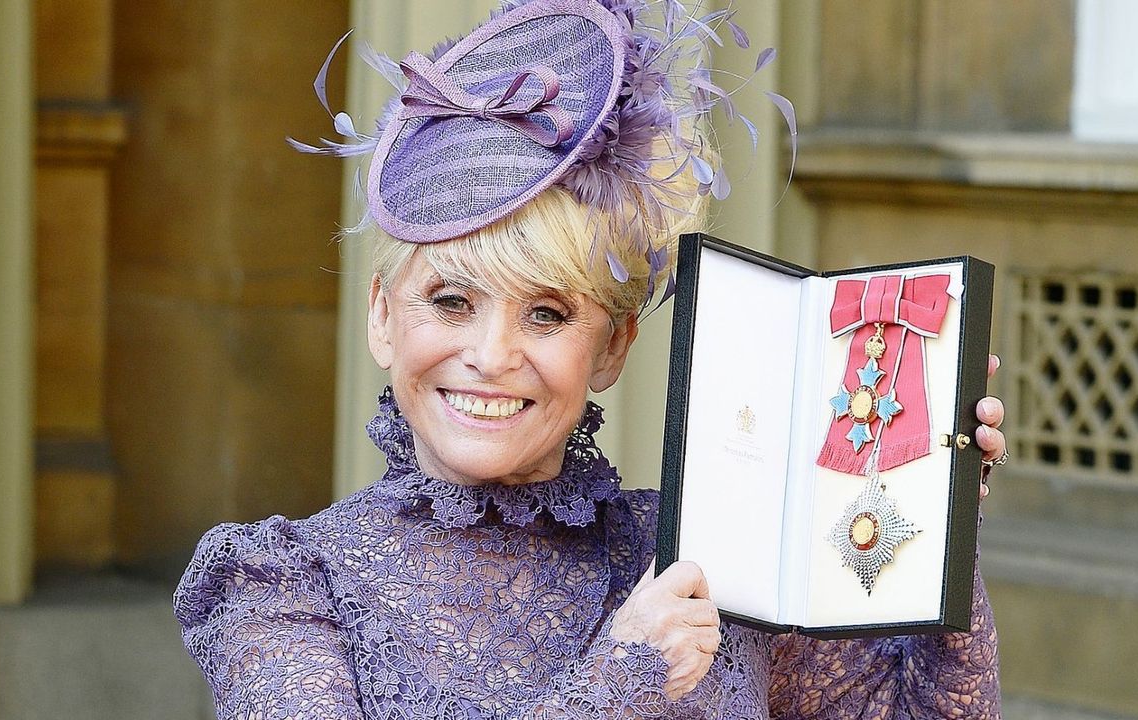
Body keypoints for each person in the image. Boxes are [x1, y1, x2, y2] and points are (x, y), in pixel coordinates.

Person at [174, 1, 1007, 717]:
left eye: (547, 313)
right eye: (452, 301)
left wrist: (929, 504)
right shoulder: (282, 586)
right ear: (383, 318)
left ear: (611, 347)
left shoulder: (704, 557)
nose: (492, 356)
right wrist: (624, 680)